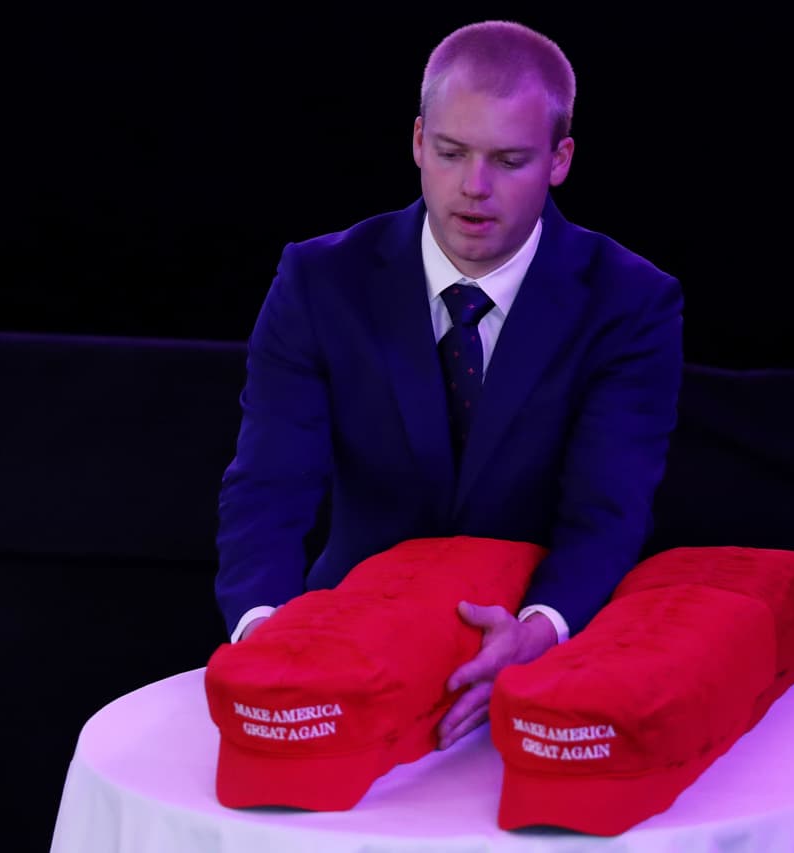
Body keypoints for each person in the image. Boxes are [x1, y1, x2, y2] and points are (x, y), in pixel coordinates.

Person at [215, 20, 683, 750]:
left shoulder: (630, 302)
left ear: (560, 160)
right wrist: (266, 632)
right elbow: (268, 487)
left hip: (537, 670)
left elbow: (607, 511)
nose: (475, 186)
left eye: (509, 159)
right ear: (416, 142)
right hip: (348, 651)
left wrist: (539, 629)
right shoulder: (319, 281)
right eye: (451, 152)